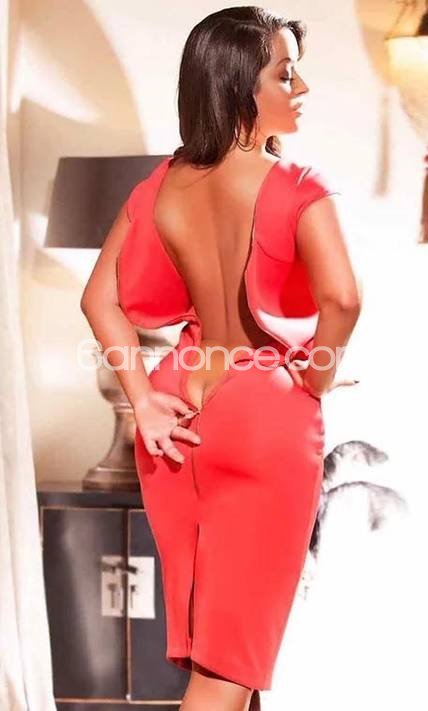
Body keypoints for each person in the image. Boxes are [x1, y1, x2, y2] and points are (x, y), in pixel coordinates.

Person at [80, 7, 361, 711]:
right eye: (285, 74)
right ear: (239, 85)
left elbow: (97, 298)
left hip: (179, 410)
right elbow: (343, 299)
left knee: (216, 646)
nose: (301, 88)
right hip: (261, 415)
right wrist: (315, 376)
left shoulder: (161, 185)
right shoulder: (298, 185)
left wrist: (143, 401)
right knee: (227, 669)